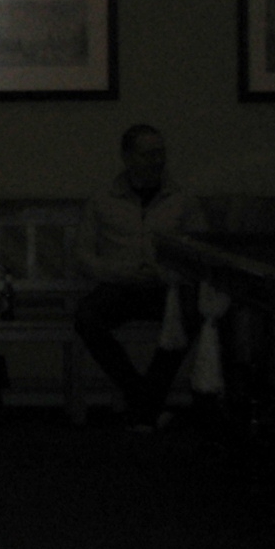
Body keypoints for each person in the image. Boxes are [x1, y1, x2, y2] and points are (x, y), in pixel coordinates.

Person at [72, 122, 197, 426]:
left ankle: (143, 402)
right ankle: (145, 399)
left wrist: (169, 273)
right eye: (148, 154)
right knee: (86, 317)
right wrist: (120, 272)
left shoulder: (182, 199)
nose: (157, 160)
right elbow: (83, 255)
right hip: (119, 286)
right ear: (128, 157)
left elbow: (199, 251)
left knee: (193, 315)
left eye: (160, 153)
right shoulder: (102, 200)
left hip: (165, 286)